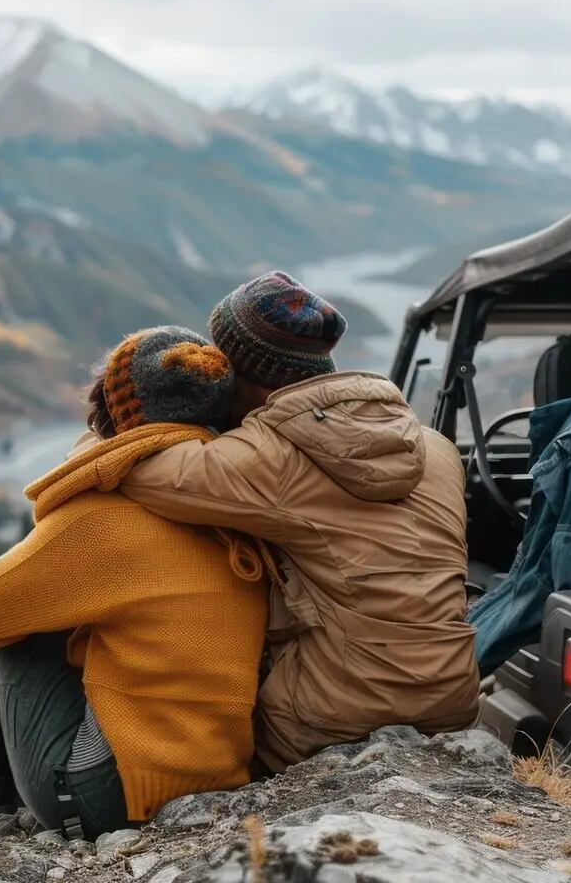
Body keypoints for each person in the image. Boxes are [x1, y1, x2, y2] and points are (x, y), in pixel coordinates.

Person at [81, 271, 479, 774]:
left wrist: (110, 417)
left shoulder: (270, 458)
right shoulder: (437, 448)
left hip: (335, 719)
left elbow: (136, 468)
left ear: (242, 372)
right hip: (454, 700)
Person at [0, 327, 271, 839]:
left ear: (110, 413)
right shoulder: (234, 504)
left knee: (10, 624)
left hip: (105, 799)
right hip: (218, 777)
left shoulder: (103, 518)